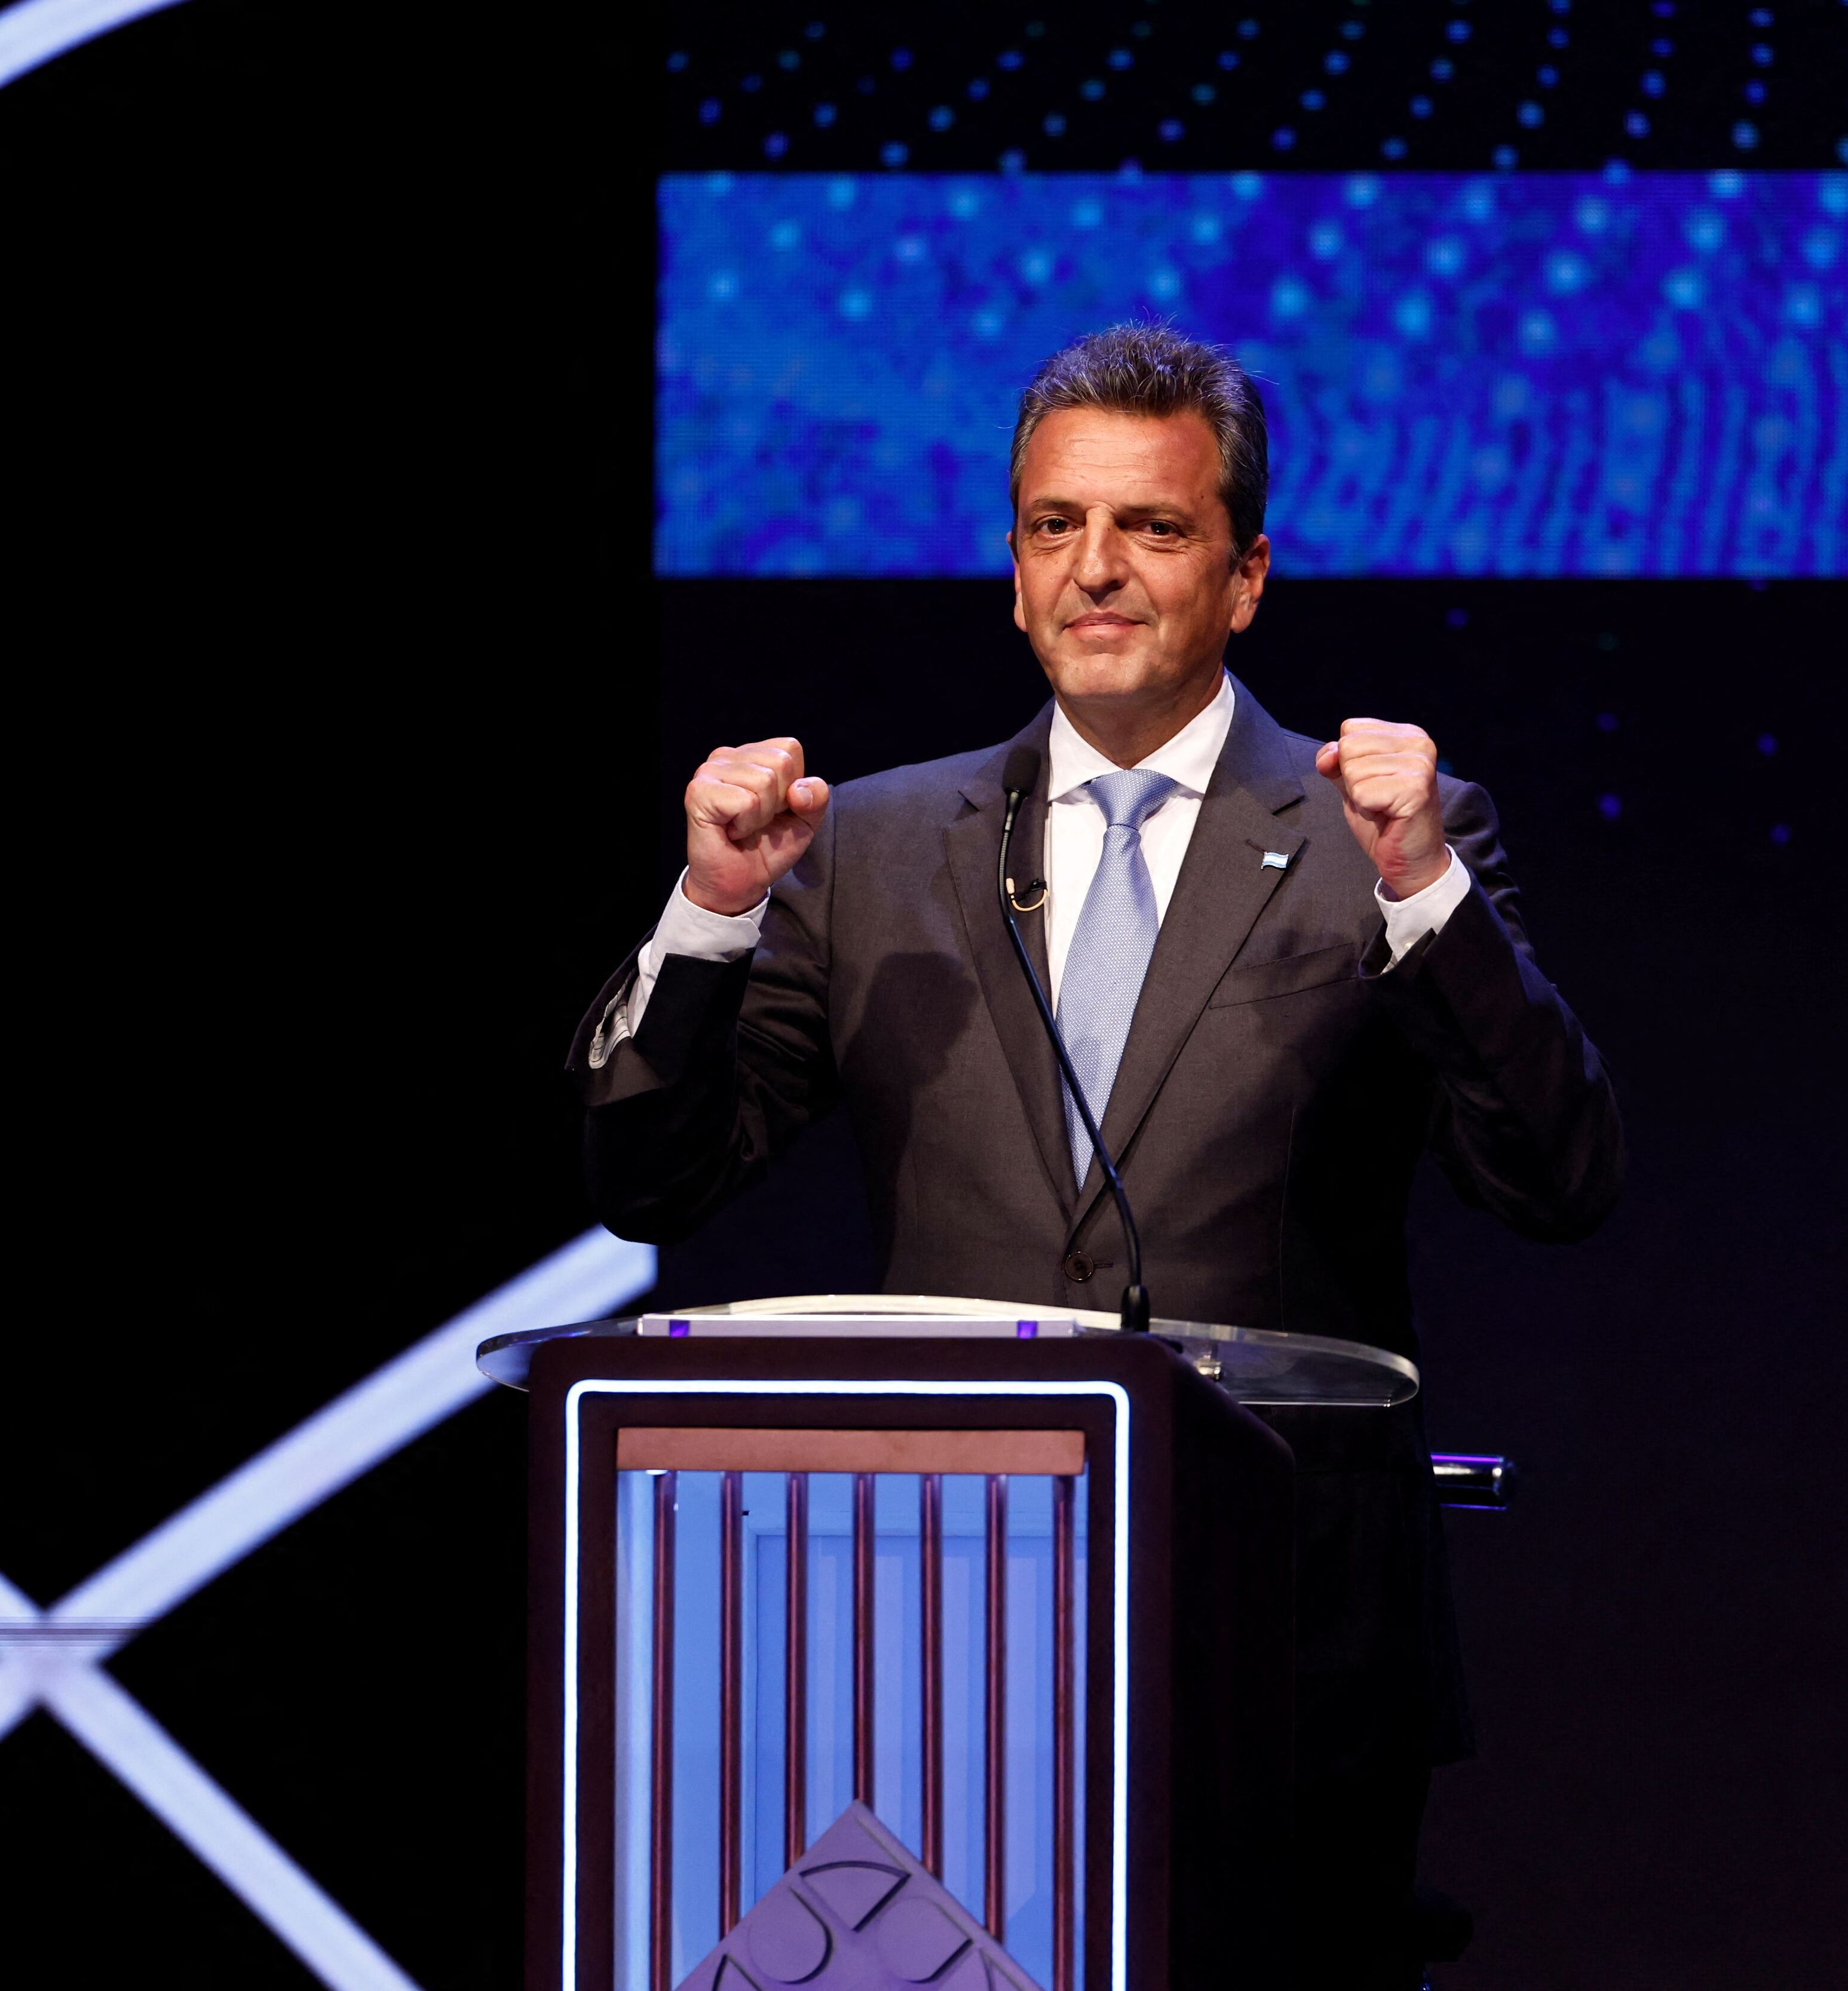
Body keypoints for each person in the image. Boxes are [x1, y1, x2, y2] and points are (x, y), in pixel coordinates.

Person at [574, 322, 1623, 1985]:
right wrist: (711, 910)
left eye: (1153, 528)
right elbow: (653, 1179)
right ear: (1012, 573)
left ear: (1249, 577)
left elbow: (1558, 1179)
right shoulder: (879, 848)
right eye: (1056, 526)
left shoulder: (1386, 833)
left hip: (1284, 1648)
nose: (1098, 571)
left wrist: (1426, 889)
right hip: (928, 1634)